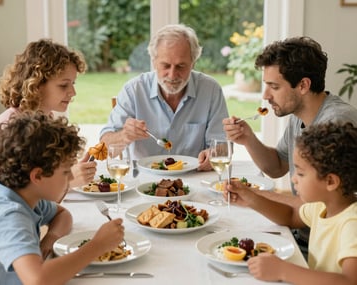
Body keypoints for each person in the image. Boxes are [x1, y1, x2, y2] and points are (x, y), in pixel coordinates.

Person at [222, 36, 357, 254]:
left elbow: (315, 206)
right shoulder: (299, 115)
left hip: (323, 246)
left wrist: (251, 195)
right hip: (300, 231)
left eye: (274, 86)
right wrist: (248, 139)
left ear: (303, 85)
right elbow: (277, 167)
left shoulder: (335, 124)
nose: (265, 96)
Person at [0, 112, 125, 284]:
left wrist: (51, 238)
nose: (71, 179)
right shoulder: (8, 217)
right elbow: (38, 280)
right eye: (65, 172)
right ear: (38, 176)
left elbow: (62, 214)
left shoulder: (26, 196)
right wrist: (97, 245)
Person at [224, 122, 357, 285]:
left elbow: (350, 281)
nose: (294, 179)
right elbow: (291, 216)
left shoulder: (352, 223)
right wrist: (251, 198)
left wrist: (283, 271)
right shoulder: (323, 206)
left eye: (300, 173)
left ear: (330, 181)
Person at [100, 24, 229, 171]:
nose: (172, 75)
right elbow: (103, 149)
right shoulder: (134, 90)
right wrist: (125, 136)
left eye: (181, 66)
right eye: (166, 65)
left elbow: (222, 145)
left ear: (193, 63)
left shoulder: (210, 90)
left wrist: (213, 154)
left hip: (194, 178)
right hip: (143, 180)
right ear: (154, 61)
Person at [0, 38, 97, 198]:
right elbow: (6, 195)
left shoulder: (45, 118)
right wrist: (68, 181)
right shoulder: (9, 127)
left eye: (73, 84)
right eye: (64, 85)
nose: (72, 92)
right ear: (36, 85)